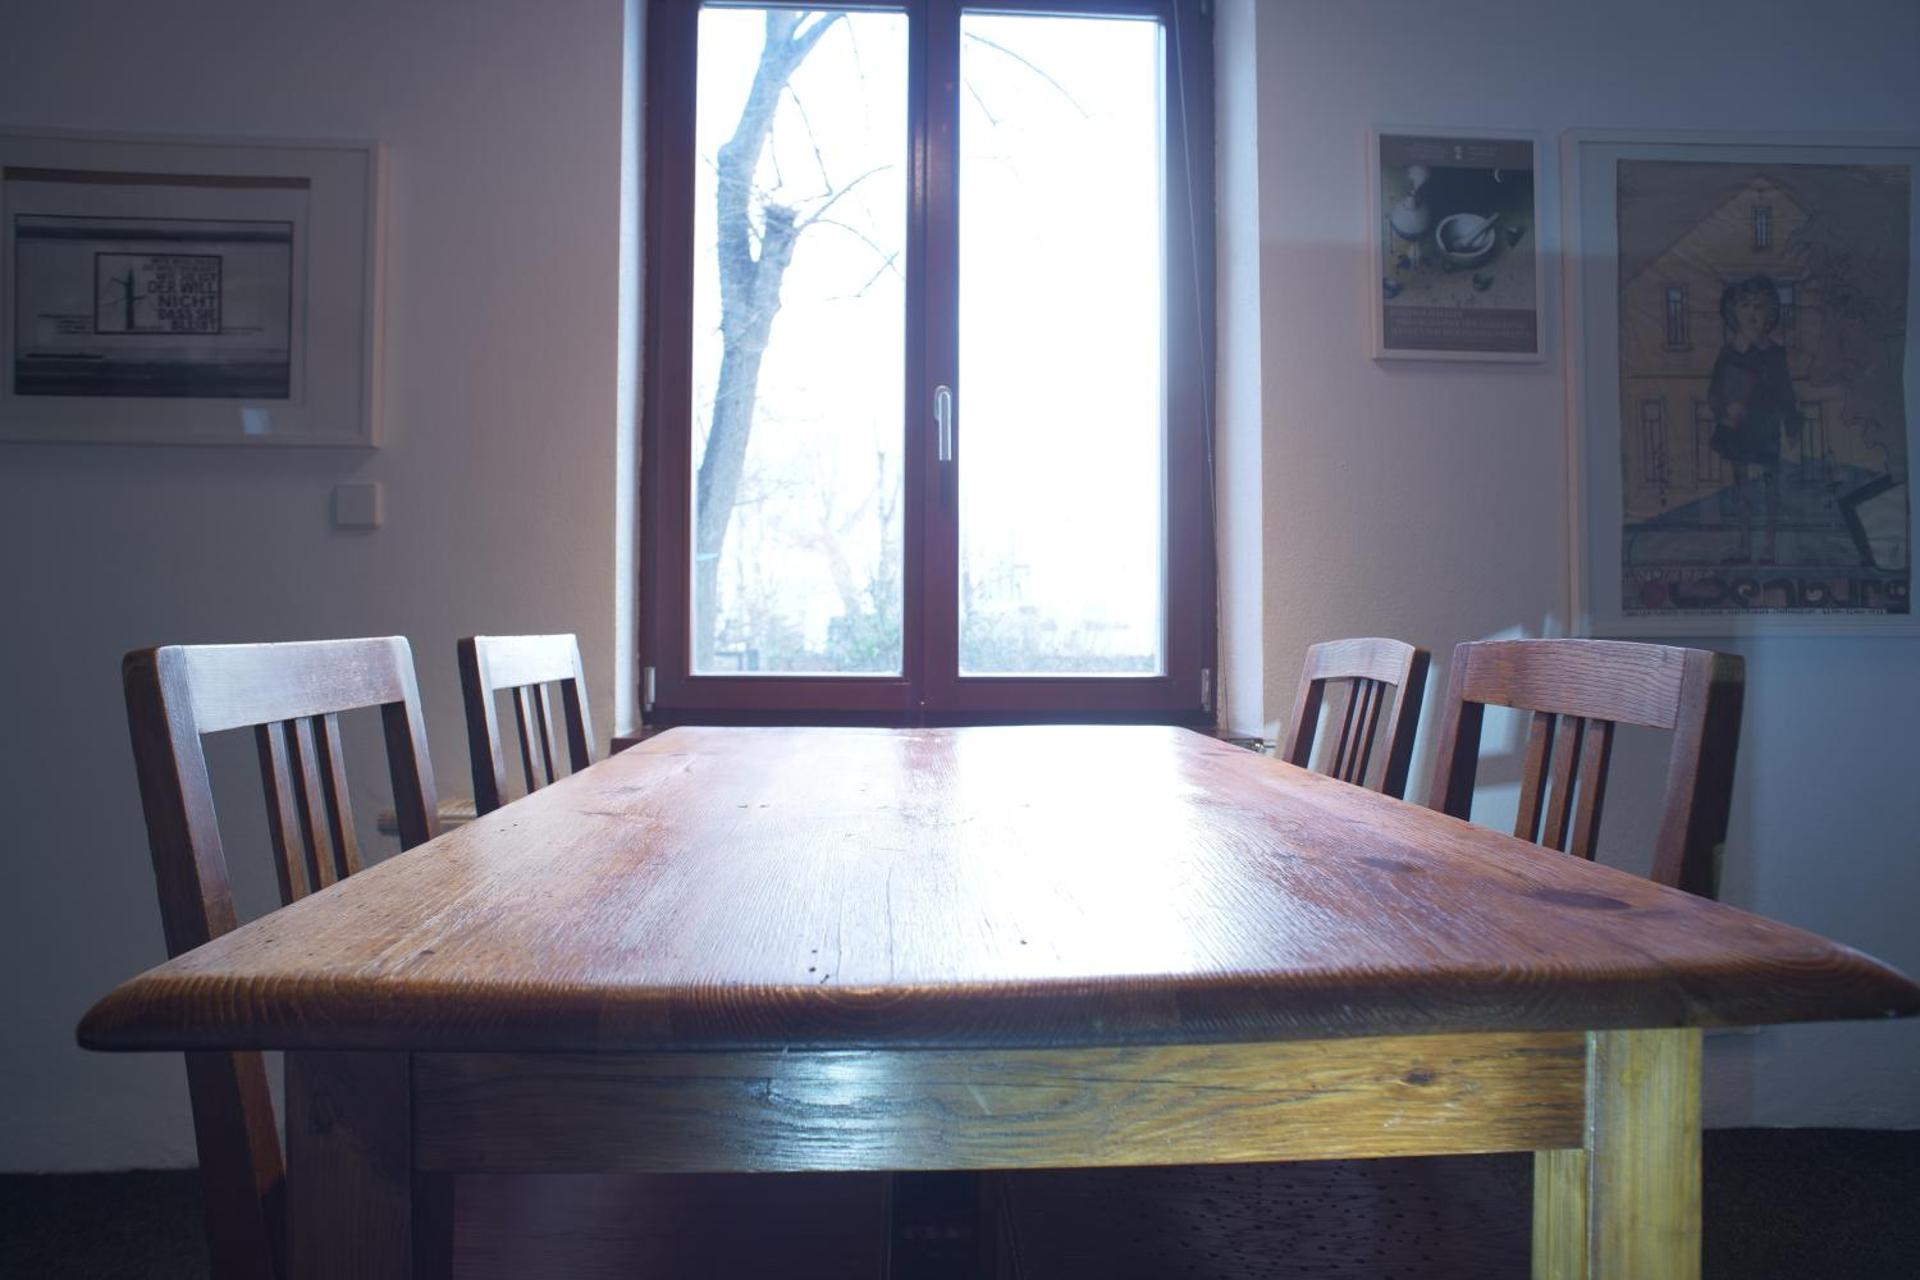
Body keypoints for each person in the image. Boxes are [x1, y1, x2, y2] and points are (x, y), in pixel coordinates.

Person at [1708, 275, 1800, 564]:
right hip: (1737, 429)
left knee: (1771, 490)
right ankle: (1745, 546)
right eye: (1745, 306)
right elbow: (1715, 392)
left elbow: (1786, 392)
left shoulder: (1774, 354)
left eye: (1759, 307)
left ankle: (1769, 549)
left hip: (1766, 429)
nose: (1752, 313)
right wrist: (1725, 409)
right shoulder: (1728, 354)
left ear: (1770, 313)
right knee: (1742, 491)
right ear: (1733, 313)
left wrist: (1792, 422)